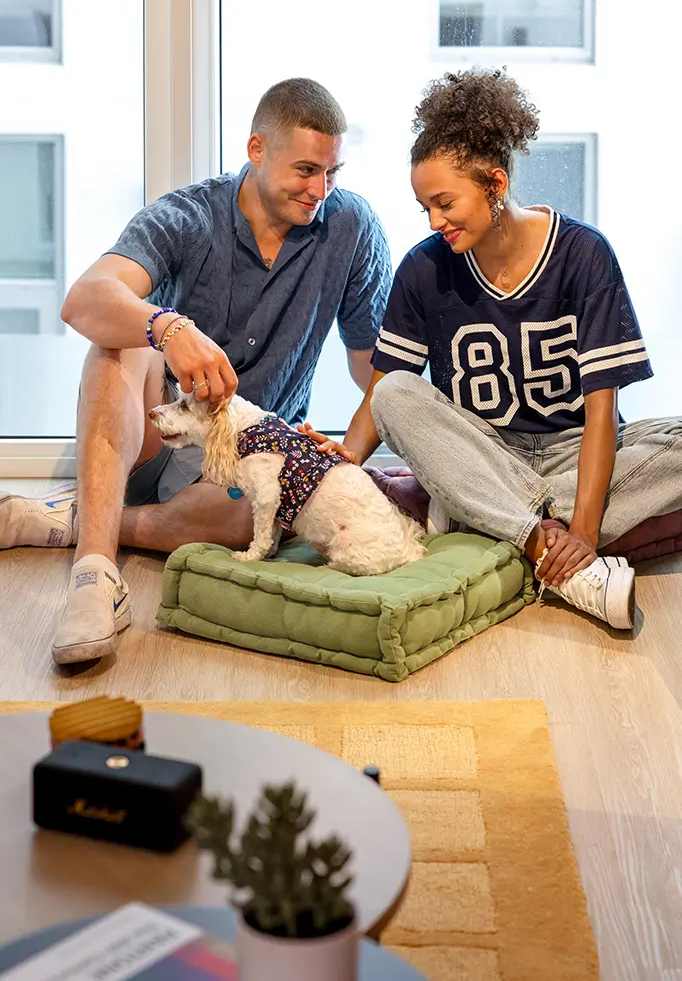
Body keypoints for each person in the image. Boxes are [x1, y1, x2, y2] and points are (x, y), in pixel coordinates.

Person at [0, 78, 391, 664]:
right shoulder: (187, 216)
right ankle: (96, 574)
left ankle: (75, 521)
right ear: (257, 149)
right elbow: (83, 300)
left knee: (257, 510)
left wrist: (355, 450)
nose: (321, 190)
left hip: (238, 466)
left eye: (333, 172)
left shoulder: (352, 227)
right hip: (156, 436)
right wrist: (168, 328)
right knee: (117, 344)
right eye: (306, 170)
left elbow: (374, 371)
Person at [299, 67, 682, 630]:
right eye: (423, 207)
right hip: (482, 451)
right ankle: (536, 541)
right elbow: (386, 392)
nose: (434, 221)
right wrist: (342, 464)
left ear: (496, 185)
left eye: (445, 203)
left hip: (570, 455)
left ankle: (487, 518)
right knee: (400, 393)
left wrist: (582, 529)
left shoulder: (584, 254)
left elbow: (603, 409)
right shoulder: (423, 268)